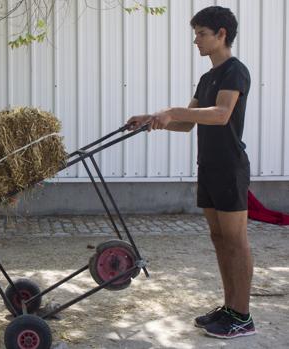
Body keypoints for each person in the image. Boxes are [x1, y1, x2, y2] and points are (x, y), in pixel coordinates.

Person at [127, 6, 255, 339]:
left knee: (236, 242)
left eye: (201, 33)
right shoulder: (208, 77)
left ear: (221, 34)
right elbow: (187, 123)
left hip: (229, 168)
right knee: (219, 239)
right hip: (209, 167)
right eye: (195, 33)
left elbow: (221, 114)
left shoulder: (234, 71)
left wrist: (170, 110)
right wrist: (150, 119)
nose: (195, 41)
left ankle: (242, 316)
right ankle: (229, 308)